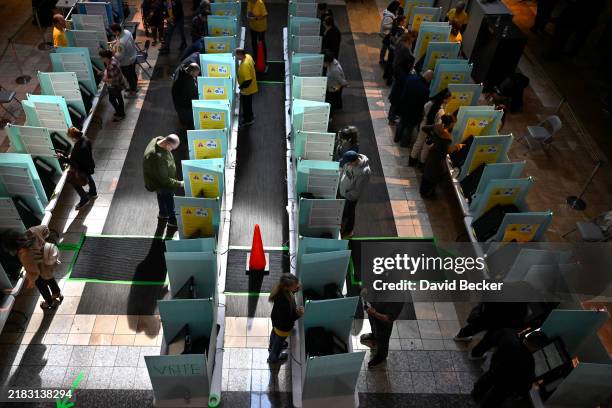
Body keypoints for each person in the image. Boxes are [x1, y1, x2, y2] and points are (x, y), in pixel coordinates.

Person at [472, 330, 549, 407]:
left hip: (492, 373)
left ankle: (475, 395)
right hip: (504, 387)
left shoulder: (511, 341)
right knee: (491, 401)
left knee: (483, 385)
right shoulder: (529, 363)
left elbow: (496, 355)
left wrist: (493, 368)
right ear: (537, 348)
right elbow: (524, 386)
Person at [1, 227, 63, 310]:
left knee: (42, 287)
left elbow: (33, 271)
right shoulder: (32, 232)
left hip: (40, 271)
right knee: (50, 278)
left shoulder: (25, 254)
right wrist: (42, 241)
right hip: (47, 263)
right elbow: (45, 229)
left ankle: (49, 303)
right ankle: (57, 293)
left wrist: (32, 281)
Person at [454, 302, 528, 359]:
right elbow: (518, 322)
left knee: (476, 325)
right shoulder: (522, 308)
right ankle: (475, 354)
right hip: (503, 322)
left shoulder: (513, 287)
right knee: (489, 339)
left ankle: (460, 336)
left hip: (489, 312)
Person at [143, 134, 184, 227]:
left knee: (161, 196)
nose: (171, 150)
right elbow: (165, 181)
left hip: (155, 181)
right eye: (172, 148)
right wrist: (180, 184)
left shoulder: (157, 139)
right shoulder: (158, 158)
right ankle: (172, 221)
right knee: (169, 199)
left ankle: (163, 214)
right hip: (161, 183)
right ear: (167, 144)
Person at [419, 114, 464, 198]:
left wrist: (432, 137)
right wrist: (457, 147)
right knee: (434, 176)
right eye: (453, 123)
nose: (454, 125)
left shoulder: (437, 127)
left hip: (432, 154)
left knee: (427, 172)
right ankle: (427, 194)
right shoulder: (446, 137)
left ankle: (422, 191)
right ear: (450, 124)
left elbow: (424, 128)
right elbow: (446, 151)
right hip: (439, 159)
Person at [409, 88, 451, 167]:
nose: (449, 101)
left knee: (418, 142)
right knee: (426, 147)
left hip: (424, 124)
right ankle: (421, 163)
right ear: (444, 99)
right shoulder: (441, 111)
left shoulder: (430, 102)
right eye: (448, 99)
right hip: (431, 129)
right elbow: (438, 124)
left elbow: (424, 110)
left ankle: (412, 160)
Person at [268, 273, 304, 364]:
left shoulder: (280, 291)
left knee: (274, 333)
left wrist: (295, 290)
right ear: (287, 288)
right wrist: (299, 314)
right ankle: (274, 357)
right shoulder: (284, 302)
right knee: (279, 342)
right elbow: (289, 318)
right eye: (295, 286)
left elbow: (289, 293)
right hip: (283, 327)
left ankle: (272, 346)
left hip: (276, 320)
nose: (297, 286)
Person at [394, 70, 433, 147]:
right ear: (429, 79)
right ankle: (404, 143)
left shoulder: (412, 78)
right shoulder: (425, 89)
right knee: (409, 128)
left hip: (404, 106)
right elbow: (423, 104)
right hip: (414, 112)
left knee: (401, 123)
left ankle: (397, 138)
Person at [360, 301, 404, 368]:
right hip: (373, 312)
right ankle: (374, 336)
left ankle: (381, 357)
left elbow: (388, 318)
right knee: (374, 327)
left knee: (383, 339)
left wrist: (374, 313)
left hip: (383, 323)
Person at [338, 151, 371, 238]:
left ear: (354, 161)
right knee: (344, 212)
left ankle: (348, 231)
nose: (347, 165)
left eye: (348, 163)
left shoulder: (364, 172)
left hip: (350, 197)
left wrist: (346, 195)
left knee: (349, 214)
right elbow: (343, 171)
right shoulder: (349, 163)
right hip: (342, 192)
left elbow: (358, 190)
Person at [64, 127, 98, 210]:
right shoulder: (85, 139)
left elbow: (73, 162)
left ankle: (84, 198)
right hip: (89, 164)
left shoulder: (78, 148)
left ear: (73, 137)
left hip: (81, 168)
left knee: (74, 182)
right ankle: (93, 193)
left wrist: (63, 157)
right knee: (89, 177)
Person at [110, 23, 138, 98]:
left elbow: (119, 57)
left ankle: (133, 91)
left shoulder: (121, 43)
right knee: (133, 74)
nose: (113, 34)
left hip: (126, 63)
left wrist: (112, 53)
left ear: (116, 31)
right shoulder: (127, 32)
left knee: (129, 77)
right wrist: (116, 42)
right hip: (133, 57)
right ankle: (135, 87)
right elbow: (120, 39)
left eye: (113, 32)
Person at [99, 49, 128, 122]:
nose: (101, 59)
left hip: (115, 86)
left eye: (101, 57)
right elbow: (111, 73)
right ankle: (120, 112)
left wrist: (104, 79)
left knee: (114, 99)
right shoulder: (113, 59)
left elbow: (114, 79)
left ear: (106, 57)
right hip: (118, 84)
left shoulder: (111, 66)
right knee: (117, 99)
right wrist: (103, 72)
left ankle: (121, 114)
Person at [171, 62, 200, 129]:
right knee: (188, 120)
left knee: (182, 117)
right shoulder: (188, 82)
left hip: (177, 102)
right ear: (191, 72)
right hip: (183, 106)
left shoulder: (182, 71)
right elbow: (193, 96)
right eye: (196, 74)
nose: (196, 76)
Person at [236, 48, 258, 126]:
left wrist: (241, 87)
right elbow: (253, 65)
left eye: (236, 55)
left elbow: (248, 80)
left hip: (247, 90)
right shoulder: (248, 56)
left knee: (246, 104)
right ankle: (248, 115)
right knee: (248, 103)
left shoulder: (244, 65)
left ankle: (248, 120)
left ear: (240, 55)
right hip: (252, 87)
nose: (236, 56)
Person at [382, 15, 406, 86]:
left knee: (389, 61)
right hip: (396, 49)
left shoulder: (394, 27)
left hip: (391, 47)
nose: (405, 23)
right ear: (401, 22)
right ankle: (389, 81)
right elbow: (399, 41)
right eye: (404, 21)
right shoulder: (401, 31)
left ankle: (385, 75)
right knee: (393, 65)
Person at [247, 0, 268, 71]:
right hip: (252, 26)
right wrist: (249, 16)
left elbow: (265, 15)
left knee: (261, 42)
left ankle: (264, 59)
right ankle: (255, 57)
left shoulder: (260, 3)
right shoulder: (249, 2)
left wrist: (256, 18)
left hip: (261, 27)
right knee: (253, 42)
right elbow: (249, 12)